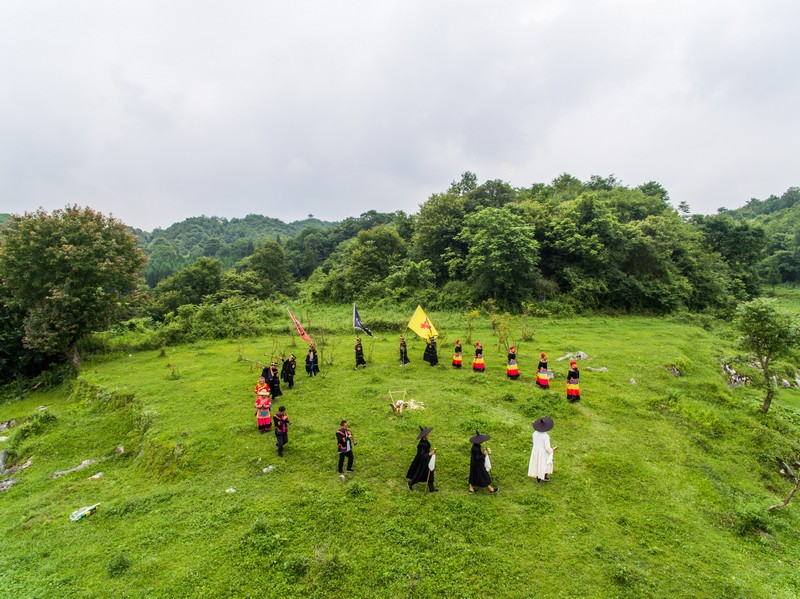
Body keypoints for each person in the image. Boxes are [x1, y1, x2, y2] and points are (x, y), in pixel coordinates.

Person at [406, 426, 437, 492]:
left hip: (427, 460)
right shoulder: (422, 445)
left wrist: (431, 453)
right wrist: (430, 453)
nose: (428, 436)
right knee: (420, 474)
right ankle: (410, 483)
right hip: (422, 462)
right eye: (427, 435)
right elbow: (422, 455)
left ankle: (431, 488)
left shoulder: (425, 442)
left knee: (430, 473)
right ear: (424, 436)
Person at [528, 417, 555, 482]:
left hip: (536, 450)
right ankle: (544, 476)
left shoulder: (534, 433)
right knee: (545, 464)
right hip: (543, 451)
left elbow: (534, 442)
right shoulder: (545, 436)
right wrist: (552, 450)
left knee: (537, 463)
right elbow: (547, 447)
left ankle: (538, 476)